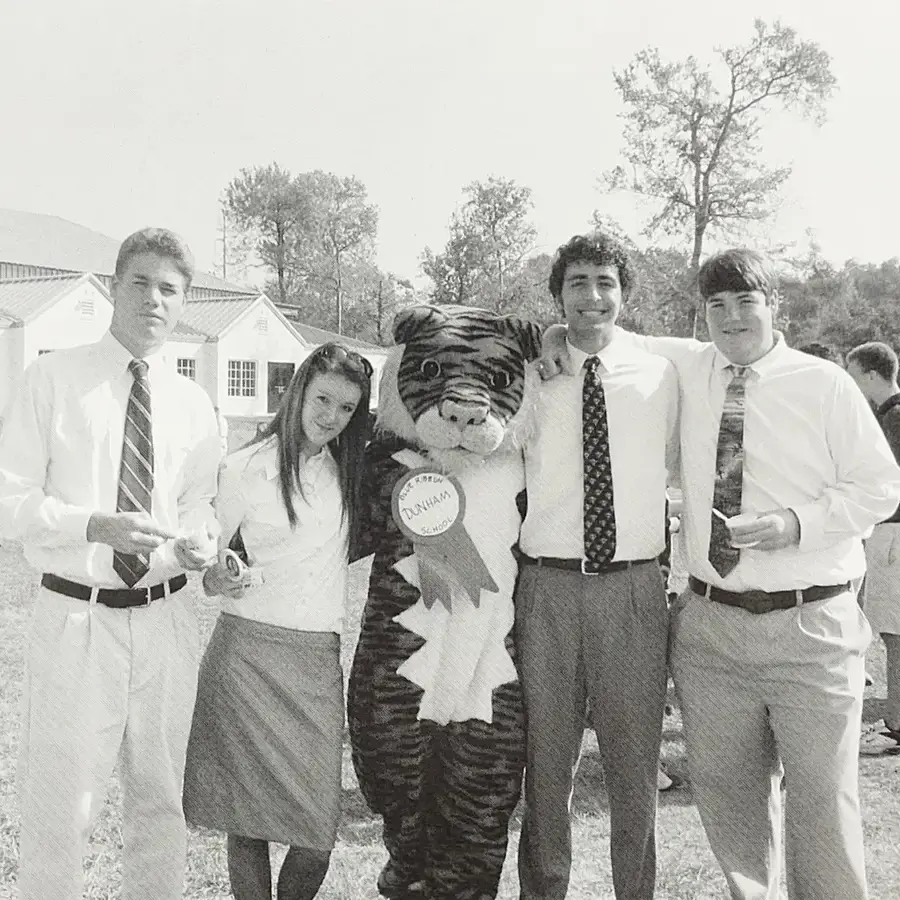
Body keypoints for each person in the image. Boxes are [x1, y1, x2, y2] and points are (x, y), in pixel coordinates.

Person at [541, 247, 900, 899]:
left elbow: (881, 487)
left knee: (822, 808)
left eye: (746, 302)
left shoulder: (825, 384)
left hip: (810, 627)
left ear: (774, 307)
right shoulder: (687, 363)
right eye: (717, 306)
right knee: (732, 812)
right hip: (712, 633)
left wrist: (799, 524)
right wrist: (553, 334)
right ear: (703, 315)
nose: (732, 318)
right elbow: (601, 328)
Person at [0, 228, 222, 900]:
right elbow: (10, 499)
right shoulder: (52, 378)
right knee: (64, 806)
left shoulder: (192, 403)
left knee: (161, 800)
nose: (154, 299)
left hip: (164, 623)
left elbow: (199, 504)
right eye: (141, 282)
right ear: (112, 286)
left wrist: (200, 540)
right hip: (77, 618)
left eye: (169, 289)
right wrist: (94, 525)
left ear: (183, 303)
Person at [516, 231, 679, 900]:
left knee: (634, 767)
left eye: (606, 282)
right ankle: (543, 890)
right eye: (578, 282)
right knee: (545, 766)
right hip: (547, 588)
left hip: (635, 590)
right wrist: (548, 344)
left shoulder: (666, 370)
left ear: (625, 293)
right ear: (559, 294)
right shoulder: (529, 374)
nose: (593, 295)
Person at [181, 342, 372, 900]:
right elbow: (211, 567)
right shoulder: (243, 468)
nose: (331, 417)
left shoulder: (351, 468)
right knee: (248, 823)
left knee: (317, 836)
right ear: (297, 391)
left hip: (315, 661)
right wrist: (221, 576)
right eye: (323, 400)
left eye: (345, 408)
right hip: (245, 656)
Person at [846, 341, 900, 749]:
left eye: (852, 372)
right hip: (887, 534)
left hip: (893, 534)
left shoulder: (894, 418)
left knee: (894, 633)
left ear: (868, 373)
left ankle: (896, 726)